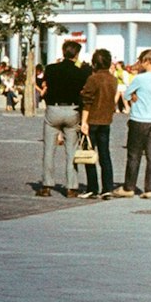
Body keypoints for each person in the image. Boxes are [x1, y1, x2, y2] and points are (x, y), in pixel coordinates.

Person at [115, 49, 151, 199]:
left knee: (134, 155)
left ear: (147, 62)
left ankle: (129, 187)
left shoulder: (140, 79)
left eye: (141, 61)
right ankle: (149, 188)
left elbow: (126, 94)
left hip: (139, 119)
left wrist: (134, 95)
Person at [38, 40, 89, 198]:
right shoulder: (79, 72)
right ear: (77, 54)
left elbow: (45, 84)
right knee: (71, 150)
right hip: (72, 110)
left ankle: (46, 185)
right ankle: (71, 187)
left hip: (53, 109)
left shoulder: (51, 69)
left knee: (48, 150)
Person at [77, 47, 119, 198]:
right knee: (105, 155)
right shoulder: (113, 79)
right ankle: (107, 187)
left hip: (92, 119)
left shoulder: (92, 79)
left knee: (89, 154)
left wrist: (84, 122)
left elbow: (87, 102)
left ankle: (92, 188)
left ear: (94, 64)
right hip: (105, 120)